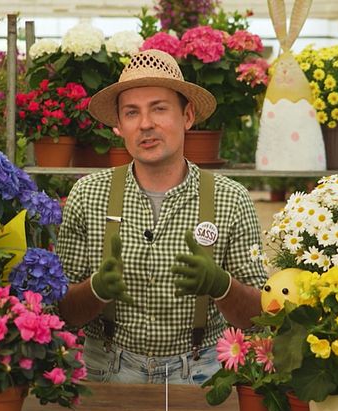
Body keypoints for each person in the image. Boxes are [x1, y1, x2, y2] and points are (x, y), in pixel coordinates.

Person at [56, 49, 267, 384]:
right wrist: (96, 290)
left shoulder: (231, 199)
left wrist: (222, 285)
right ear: (118, 126)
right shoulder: (88, 194)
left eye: (159, 108)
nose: (145, 124)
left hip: (201, 374)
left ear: (187, 116)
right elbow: (62, 313)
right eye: (131, 112)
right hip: (106, 370)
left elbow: (259, 318)